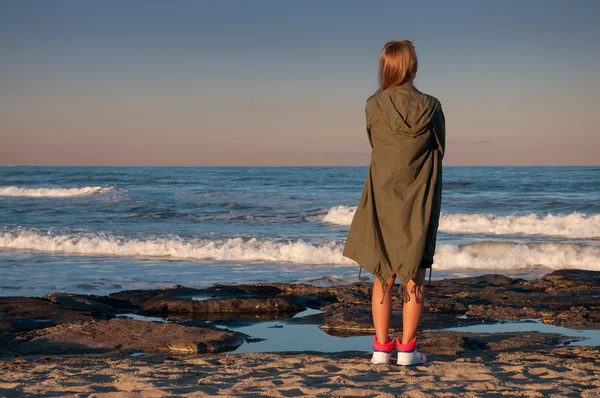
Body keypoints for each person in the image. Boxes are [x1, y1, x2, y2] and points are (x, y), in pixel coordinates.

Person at [342, 40, 446, 366]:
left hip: (383, 195)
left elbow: (375, 142)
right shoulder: (432, 105)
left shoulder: (373, 105)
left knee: (382, 273)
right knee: (413, 273)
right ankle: (408, 352)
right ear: (412, 66)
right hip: (418, 196)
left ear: (386, 68)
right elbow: (439, 146)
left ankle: (381, 349)